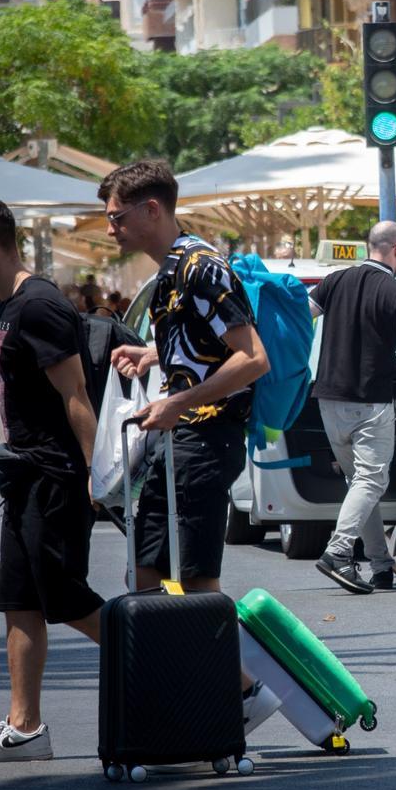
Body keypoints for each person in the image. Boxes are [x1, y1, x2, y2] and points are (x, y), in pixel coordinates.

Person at [99, 160, 277, 733]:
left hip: (205, 438)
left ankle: (240, 695)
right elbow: (202, 345)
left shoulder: (202, 267)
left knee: (198, 580)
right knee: (145, 571)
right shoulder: (172, 270)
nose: (111, 229)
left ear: (152, 209)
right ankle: (188, 691)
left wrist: (179, 401)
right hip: (179, 439)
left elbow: (253, 359)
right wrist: (154, 358)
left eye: (118, 217)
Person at [0, 196, 104, 762]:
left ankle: (172, 662)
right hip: (24, 477)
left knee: (66, 598)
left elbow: (76, 395)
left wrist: (94, 475)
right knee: (19, 600)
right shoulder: (11, 307)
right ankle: (25, 727)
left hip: (55, 477)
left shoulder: (38, 306)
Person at [310, 220, 396, 594]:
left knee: (359, 484)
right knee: (371, 481)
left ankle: (381, 566)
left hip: (328, 399)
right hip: (370, 401)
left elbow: (300, 316)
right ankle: (338, 551)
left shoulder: (334, 281)